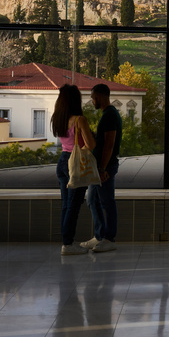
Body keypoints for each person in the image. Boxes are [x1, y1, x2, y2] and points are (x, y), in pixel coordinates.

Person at [51, 84, 96, 255]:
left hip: (62, 161)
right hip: (76, 163)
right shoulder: (79, 120)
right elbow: (91, 144)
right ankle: (68, 244)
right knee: (73, 205)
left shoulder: (58, 118)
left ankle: (66, 242)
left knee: (66, 205)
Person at [83, 83, 122, 253]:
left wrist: (102, 168)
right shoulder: (107, 115)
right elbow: (103, 141)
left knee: (107, 201)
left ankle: (109, 238)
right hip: (99, 167)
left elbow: (110, 144)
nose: (92, 101)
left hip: (104, 167)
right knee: (92, 199)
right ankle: (99, 236)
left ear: (99, 96)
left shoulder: (110, 115)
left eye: (93, 97)